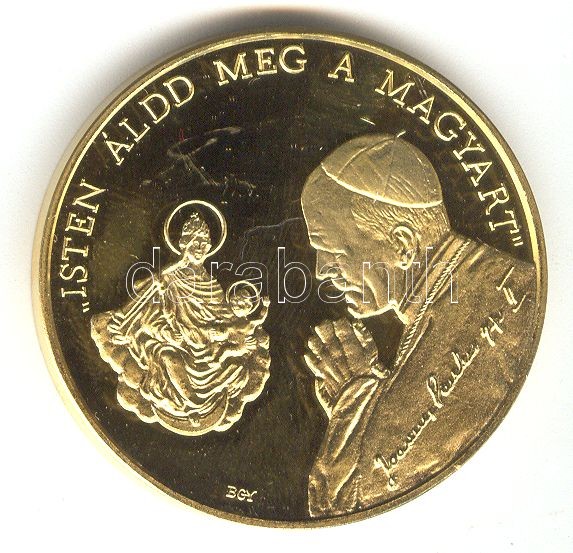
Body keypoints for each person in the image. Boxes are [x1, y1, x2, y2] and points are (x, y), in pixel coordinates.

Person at [301, 134, 537, 516]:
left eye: (333, 251)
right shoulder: (495, 281)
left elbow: (351, 503)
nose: (321, 271)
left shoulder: (471, 315)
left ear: (403, 244)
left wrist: (355, 398)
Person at [91, 211, 270, 436]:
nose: (200, 247)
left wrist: (234, 333)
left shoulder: (210, 283)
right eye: (195, 242)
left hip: (206, 345)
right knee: (169, 357)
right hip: (172, 341)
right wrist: (167, 333)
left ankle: (199, 397)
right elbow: (147, 314)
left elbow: (224, 316)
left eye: (204, 243)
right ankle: (192, 401)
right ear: (184, 244)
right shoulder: (169, 278)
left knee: (234, 365)